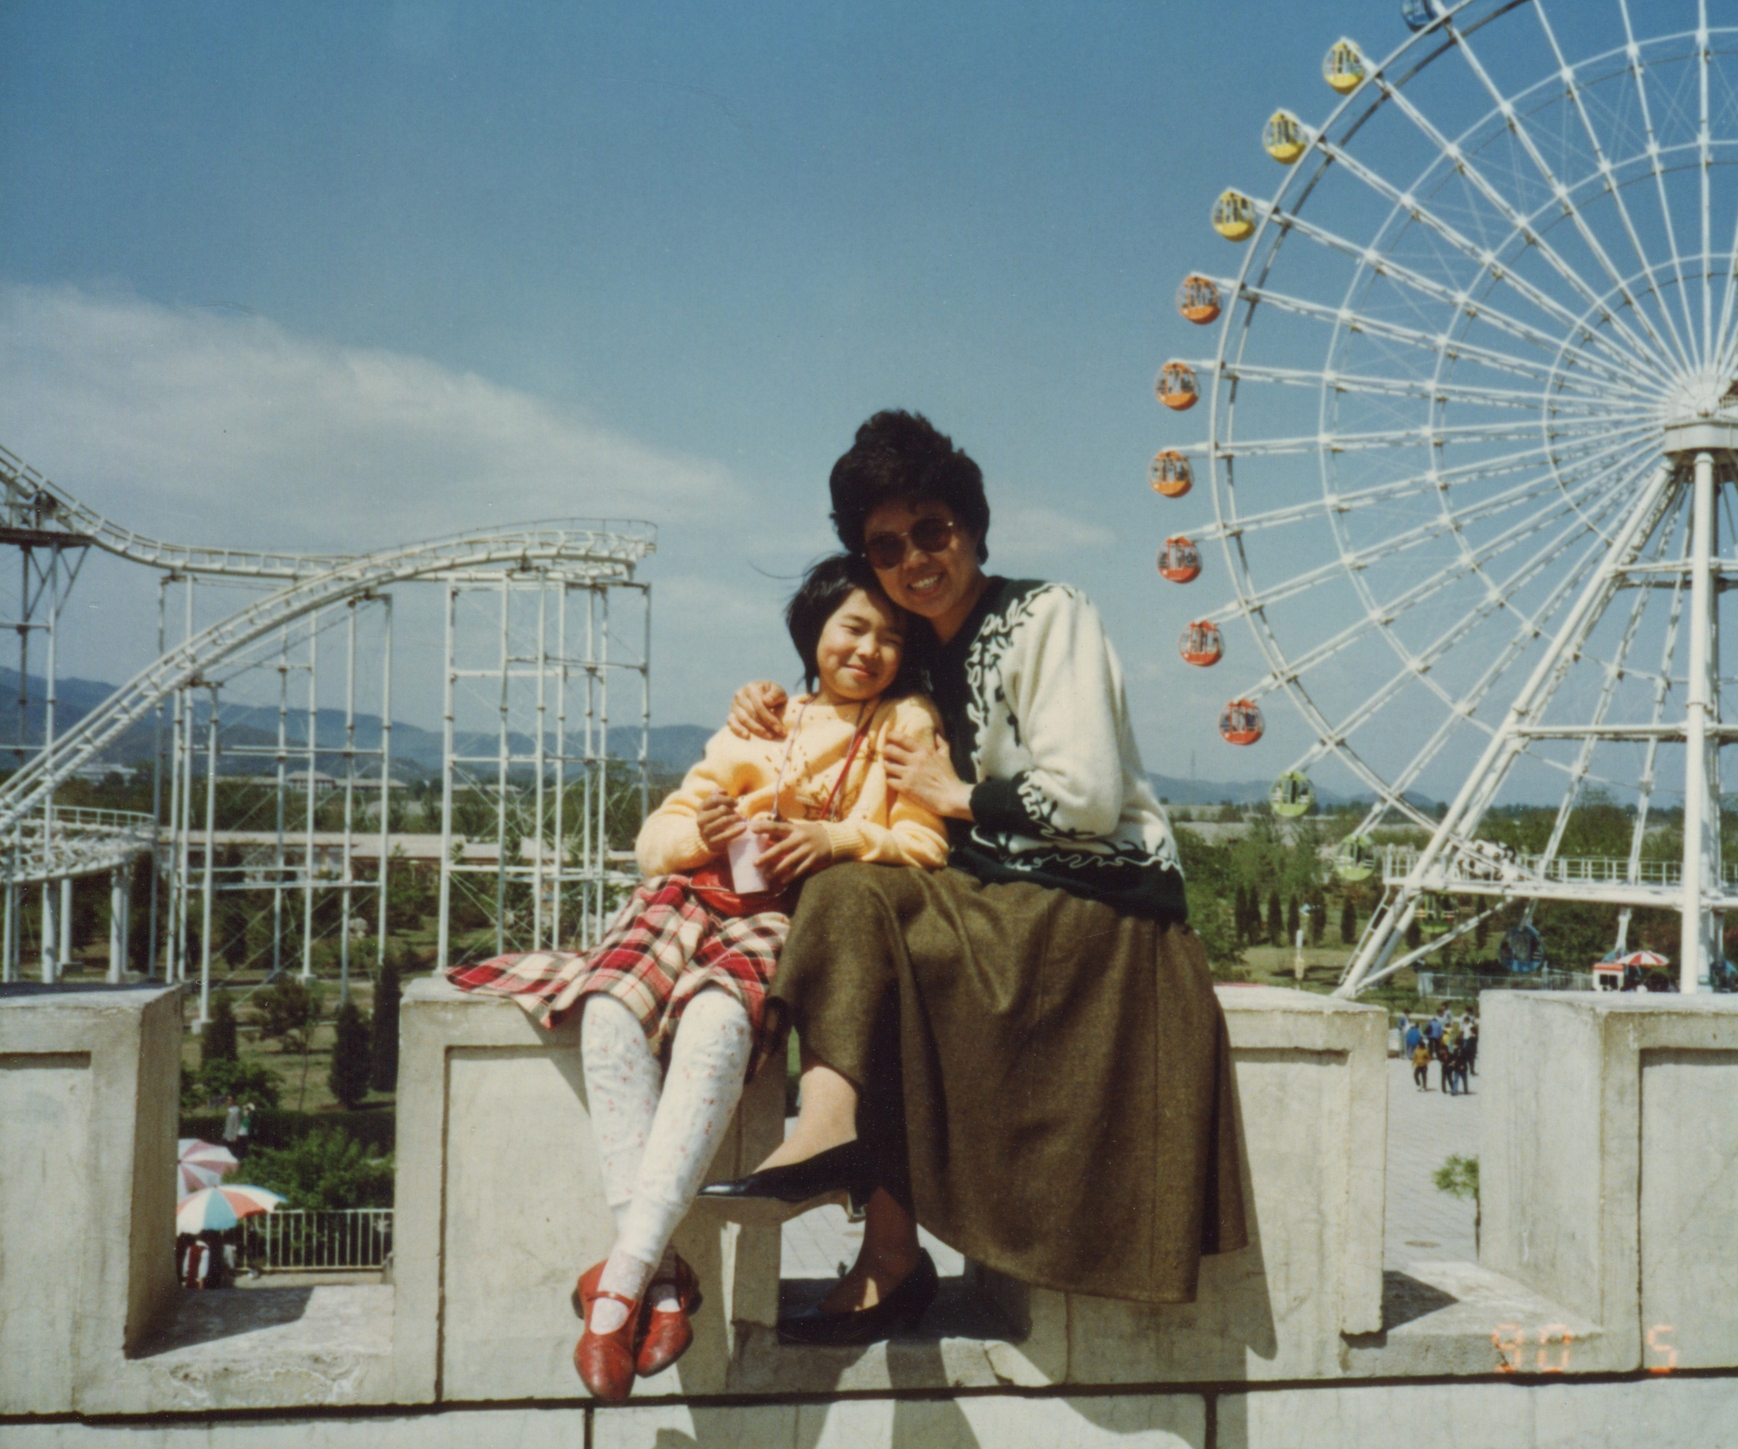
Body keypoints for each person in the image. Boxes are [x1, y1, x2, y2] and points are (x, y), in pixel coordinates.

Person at [698, 410, 1246, 1344]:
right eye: (886, 545)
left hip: (1095, 899)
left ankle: (861, 1197)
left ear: (973, 526)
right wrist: (767, 701)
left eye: (932, 530)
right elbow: (830, 706)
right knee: (851, 907)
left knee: (854, 901)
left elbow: (1088, 797)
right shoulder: (912, 657)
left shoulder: (1050, 614)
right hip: (989, 898)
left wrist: (960, 793)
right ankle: (880, 1226)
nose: (914, 557)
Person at [447, 554, 949, 1400]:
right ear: (813, 632)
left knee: (719, 1022)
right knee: (609, 1011)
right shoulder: (762, 718)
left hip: (778, 918)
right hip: (688, 896)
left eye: (891, 637)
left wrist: (833, 841)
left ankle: (614, 1293)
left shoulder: (906, 722)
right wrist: (705, 830)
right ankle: (663, 1280)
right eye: (853, 627)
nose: (870, 649)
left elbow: (925, 843)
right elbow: (657, 839)